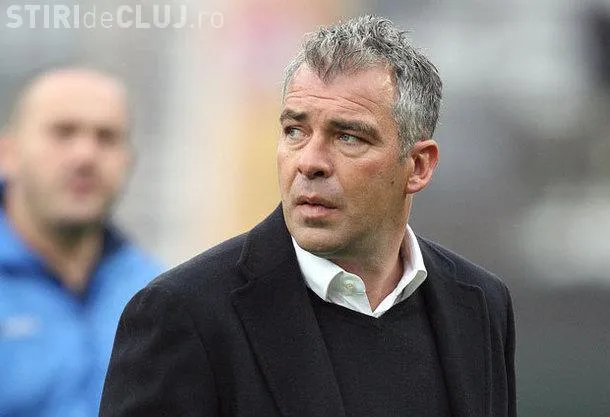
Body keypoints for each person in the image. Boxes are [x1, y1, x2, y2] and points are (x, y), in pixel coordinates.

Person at [100, 15, 516, 417]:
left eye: (348, 137)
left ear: (419, 166)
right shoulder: (184, 312)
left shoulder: (480, 304)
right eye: (295, 131)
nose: (310, 162)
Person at [0, 67, 161, 417]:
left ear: (128, 160)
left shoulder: (155, 291)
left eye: (106, 137)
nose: (85, 156)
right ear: (8, 153)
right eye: (63, 132)